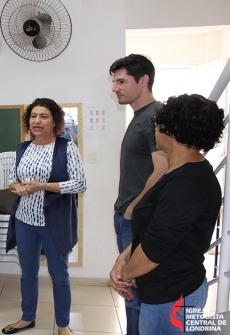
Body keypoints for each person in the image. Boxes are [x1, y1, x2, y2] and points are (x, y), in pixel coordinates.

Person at [109, 94, 225, 335]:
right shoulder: (181, 173)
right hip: (167, 291)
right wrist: (124, 256)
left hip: (172, 298)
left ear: (170, 130)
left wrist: (123, 275)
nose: (155, 131)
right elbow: (155, 231)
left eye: (157, 126)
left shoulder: (186, 184)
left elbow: (154, 251)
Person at [3, 98, 86, 335]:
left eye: (44, 116)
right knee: (27, 273)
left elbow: (80, 184)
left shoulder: (66, 147)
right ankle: (27, 317)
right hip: (24, 221)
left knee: (59, 275)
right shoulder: (22, 148)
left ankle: (63, 325)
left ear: (55, 121)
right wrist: (15, 187)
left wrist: (43, 186)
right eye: (33, 116)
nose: (37, 121)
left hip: (54, 223)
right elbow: (12, 178)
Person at [109, 53, 169, 335]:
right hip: (128, 214)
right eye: (114, 81)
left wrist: (134, 207)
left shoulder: (155, 116)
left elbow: (163, 168)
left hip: (137, 217)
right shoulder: (140, 116)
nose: (115, 87)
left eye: (121, 81)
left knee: (134, 290)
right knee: (129, 289)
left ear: (143, 80)